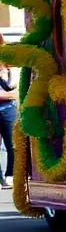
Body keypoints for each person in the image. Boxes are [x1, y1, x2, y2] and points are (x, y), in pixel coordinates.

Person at [1, 33, 17, 188]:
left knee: (12, 143)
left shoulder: (8, 62)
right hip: (7, 102)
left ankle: (10, 175)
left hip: (8, 107)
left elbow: (14, 89)